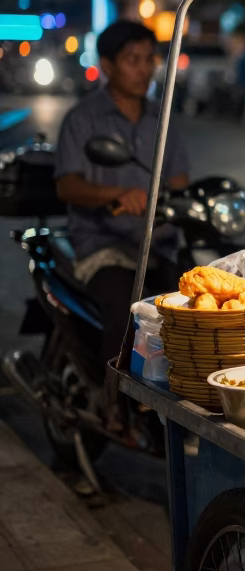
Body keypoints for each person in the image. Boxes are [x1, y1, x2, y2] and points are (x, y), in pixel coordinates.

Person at [55, 20, 189, 370]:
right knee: (126, 310)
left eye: (149, 59)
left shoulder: (162, 119)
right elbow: (67, 185)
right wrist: (118, 194)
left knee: (199, 308)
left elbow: (179, 179)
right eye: (133, 59)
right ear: (108, 65)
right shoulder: (82, 119)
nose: (144, 69)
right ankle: (114, 408)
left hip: (158, 244)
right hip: (104, 247)